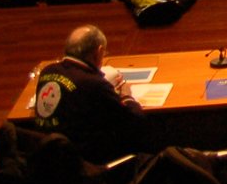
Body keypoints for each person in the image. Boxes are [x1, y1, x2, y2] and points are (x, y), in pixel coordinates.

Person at [32, 24, 145, 163]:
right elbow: (135, 119)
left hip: (49, 158)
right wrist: (127, 95)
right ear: (99, 51)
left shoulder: (47, 71)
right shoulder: (94, 84)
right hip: (86, 162)